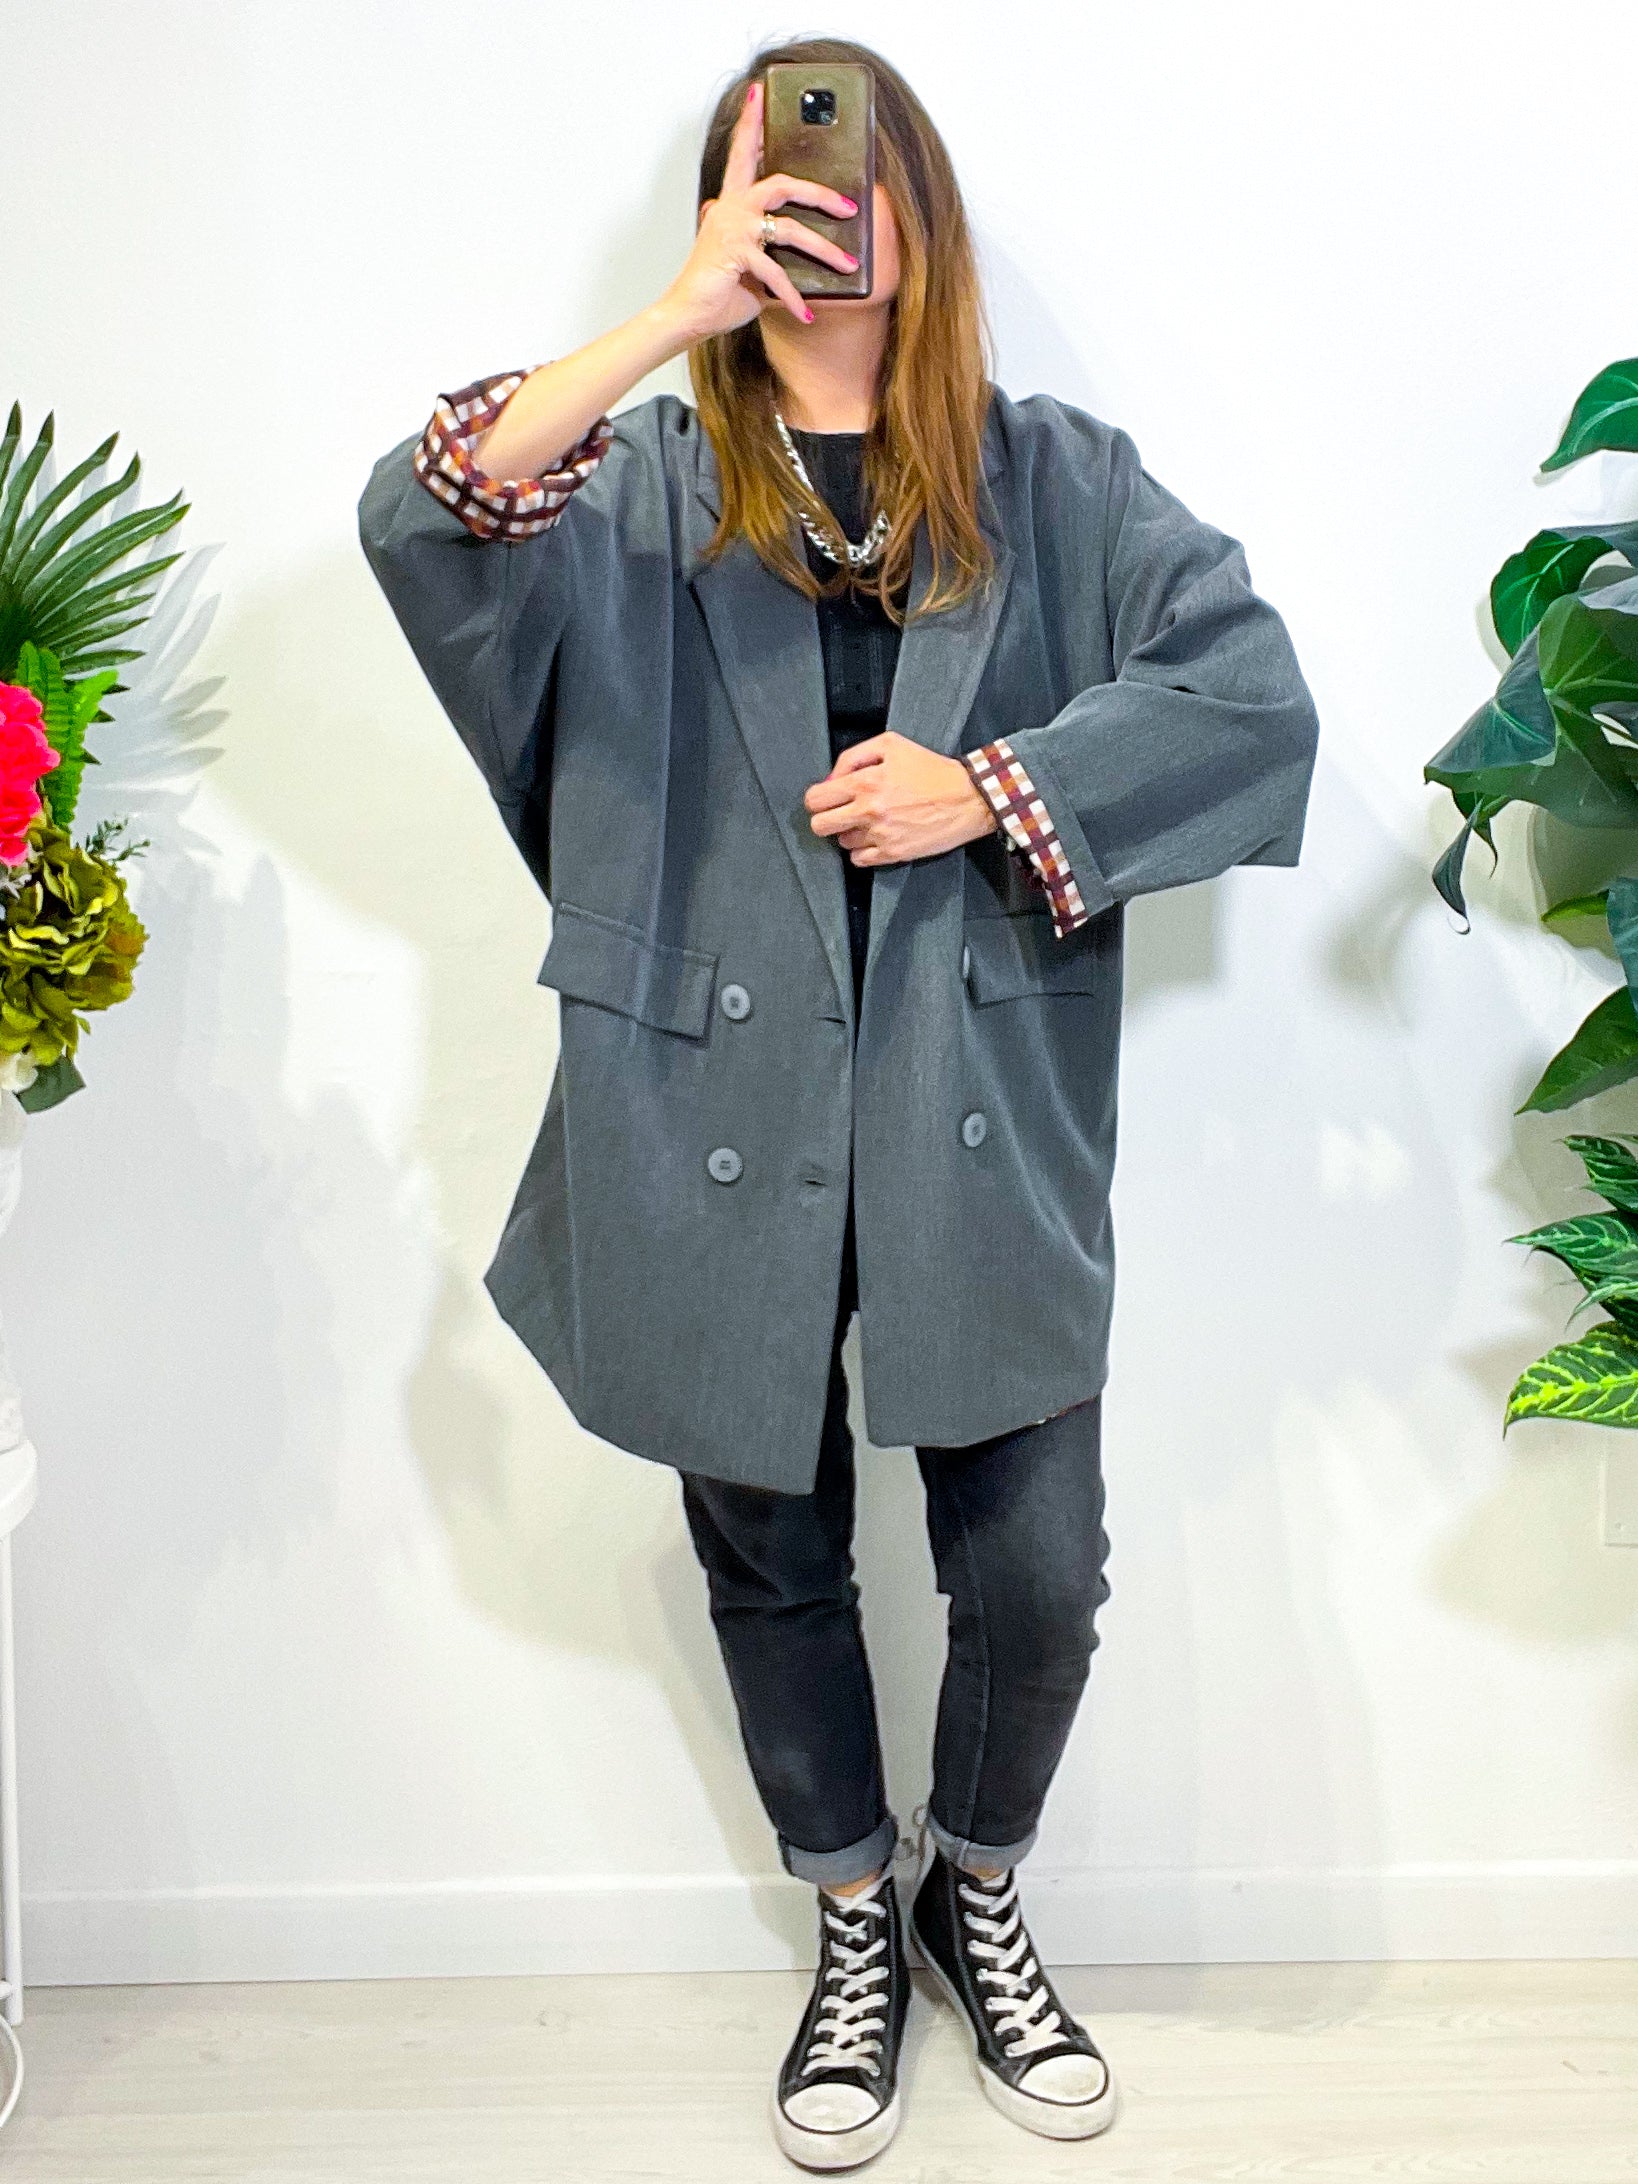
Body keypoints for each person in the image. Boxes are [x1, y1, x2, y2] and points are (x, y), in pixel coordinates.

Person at [359, 33, 1319, 2172]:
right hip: (699, 1105)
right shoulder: (640, 483)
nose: (820, 206)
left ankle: (979, 1887)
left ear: (921, 203)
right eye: (770, 177)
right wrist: (679, 311)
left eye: (850, 169)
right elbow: (421, 515)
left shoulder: (1053, 480)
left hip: (977, 1103)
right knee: (772, 1557)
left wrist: (994, 788)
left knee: (1038, 1573)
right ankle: (855, 1922)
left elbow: (1252, 698)